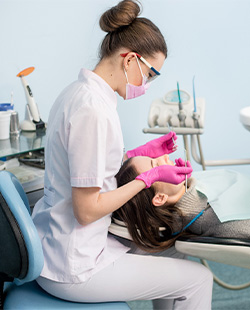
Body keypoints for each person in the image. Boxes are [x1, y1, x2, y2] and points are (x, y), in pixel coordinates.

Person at [32, 1, 213, 309]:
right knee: (199, 279)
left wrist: (140, 153)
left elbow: (88, 166)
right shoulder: (94, 112)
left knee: (173, 248)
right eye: (151, 74)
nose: (148, 84)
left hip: (58, 244)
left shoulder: (78, 93)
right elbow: (87, 210)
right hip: (75, 267)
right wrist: (148, 178)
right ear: (129, 59)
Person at [114, 154, 250, 253]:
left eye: (154, 157)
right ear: (160, 198)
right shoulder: (215, 218)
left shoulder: (195, 186)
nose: (165, 156)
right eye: (156, 165)